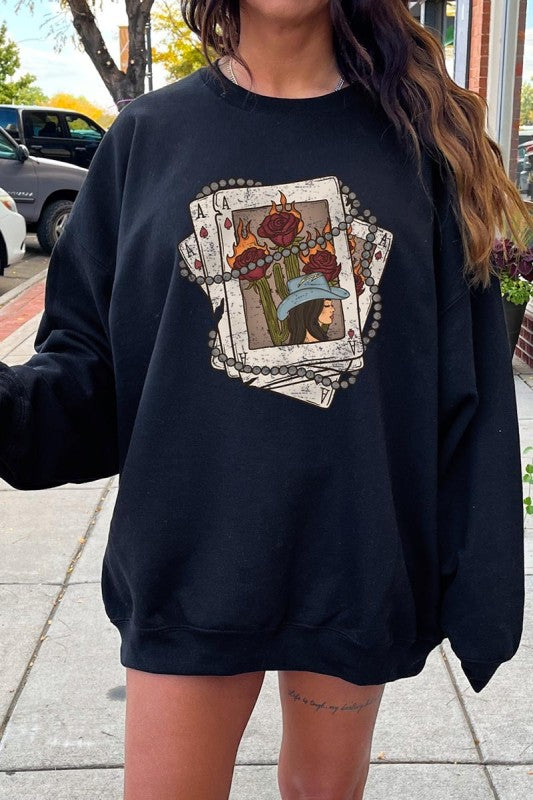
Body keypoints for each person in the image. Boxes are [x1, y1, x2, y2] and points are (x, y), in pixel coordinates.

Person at [0, 1, 530, 799]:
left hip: (352, 563)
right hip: (192, 560)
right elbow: (87, 375)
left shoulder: (422, 142)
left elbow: (469, 383)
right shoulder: (147, 137)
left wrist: (480, 582)